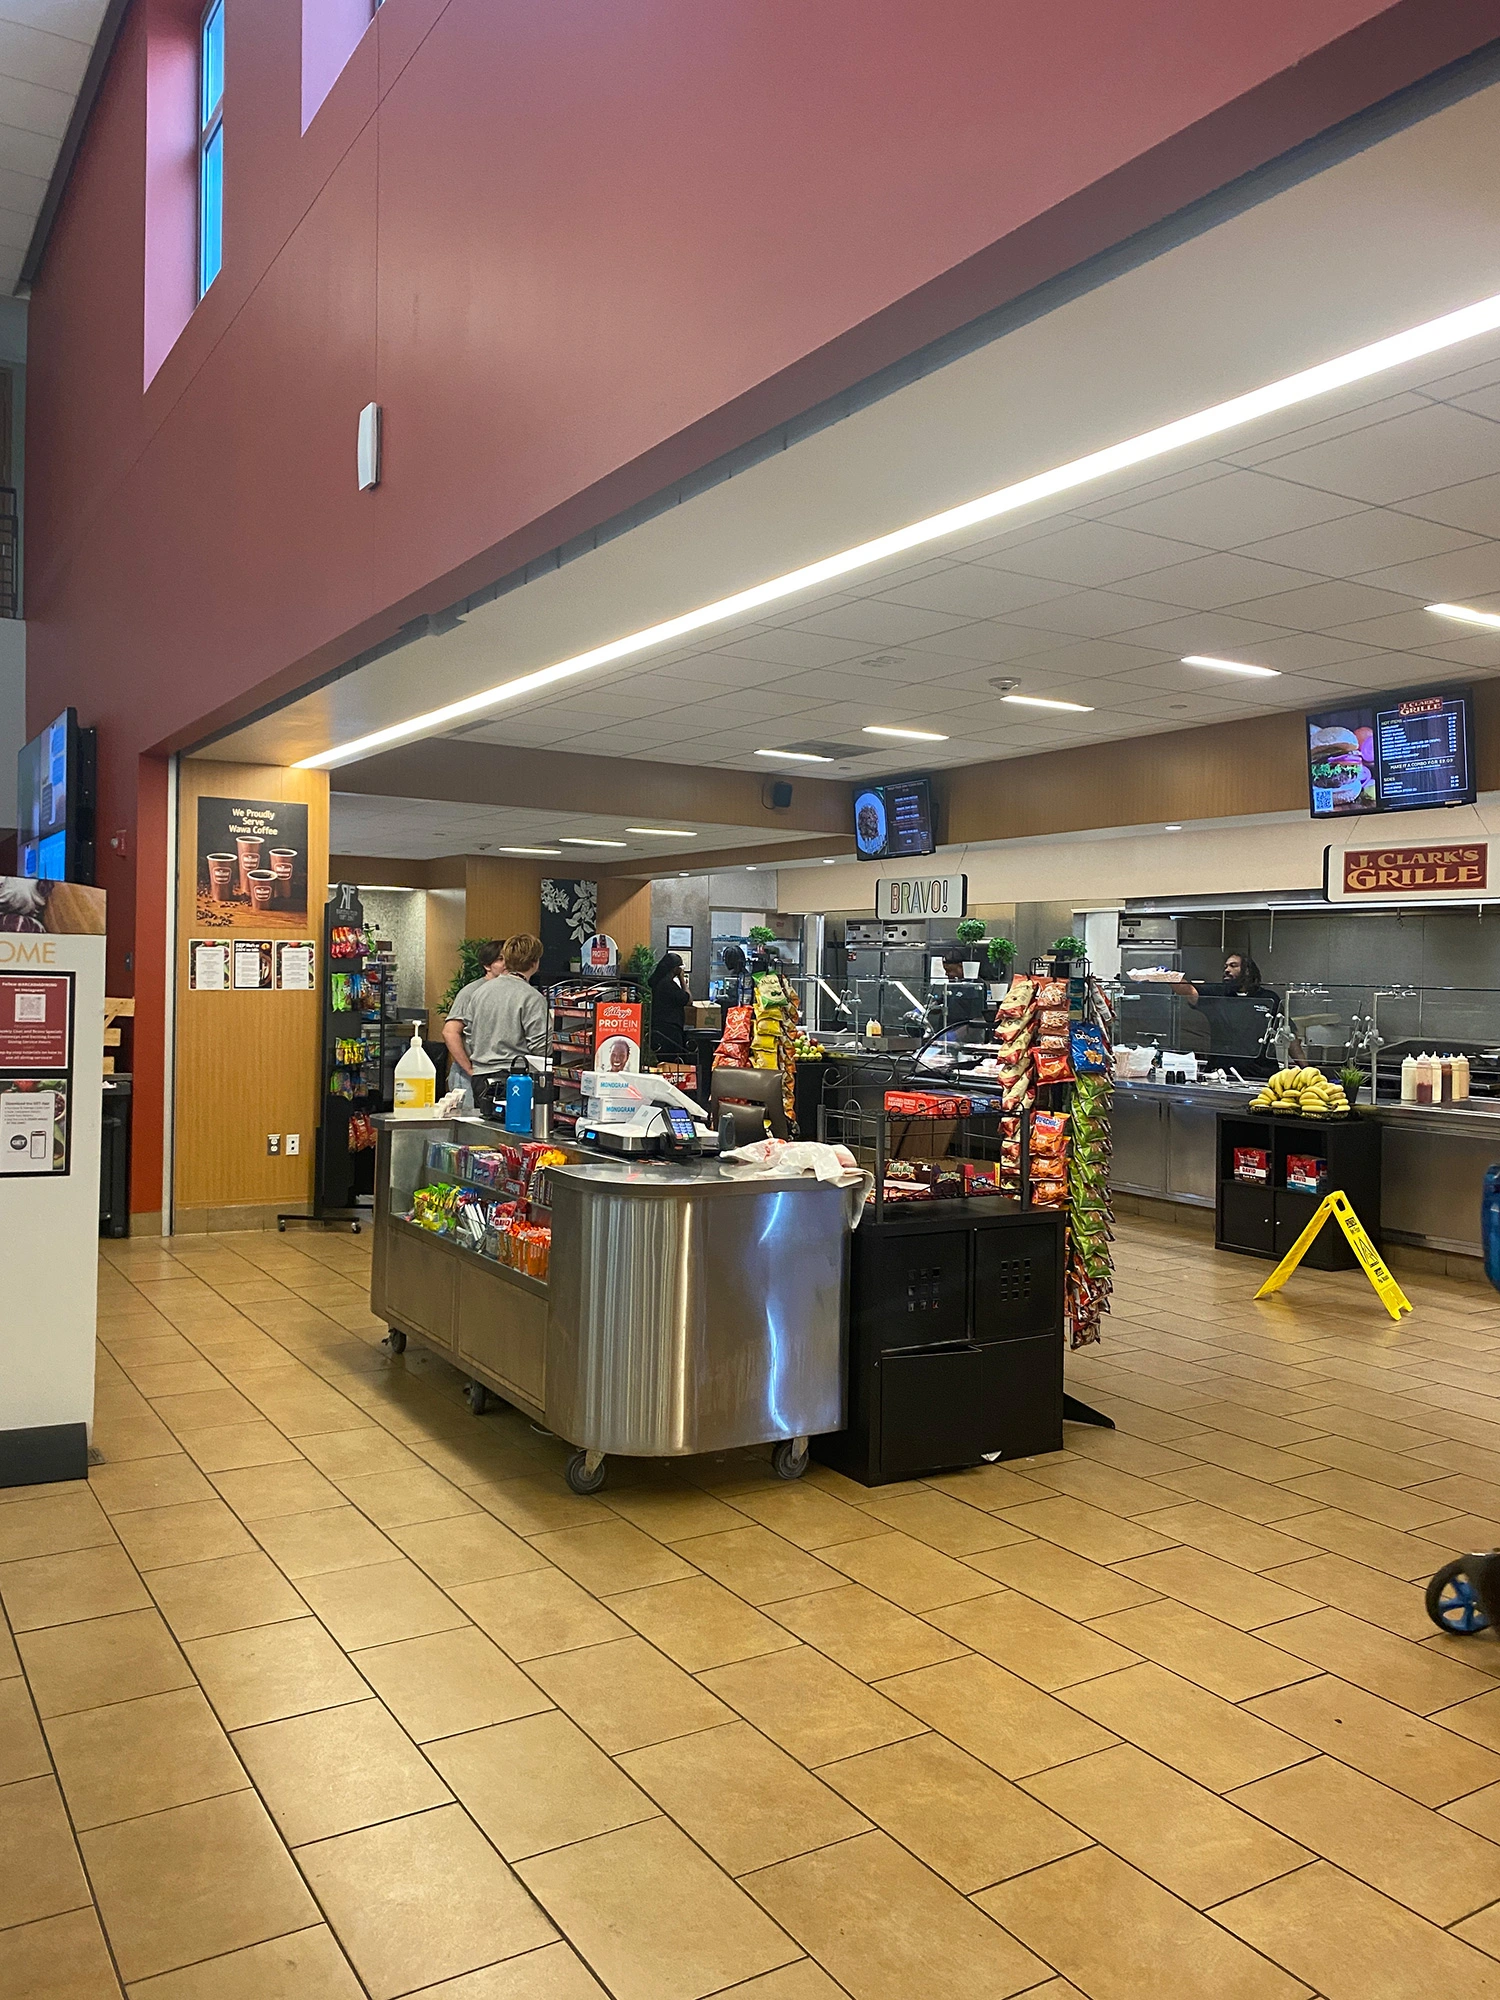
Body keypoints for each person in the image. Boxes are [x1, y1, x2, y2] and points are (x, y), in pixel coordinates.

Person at [444, 932, 548, 1112]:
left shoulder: (480, 992)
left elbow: (469, 1032)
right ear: (535, 963)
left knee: (487, 1129)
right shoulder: (532, 997)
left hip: (480, 1075)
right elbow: (541, 1047)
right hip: (515, 1077)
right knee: (515, 1130)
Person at [1164, 952, 1285, 1077]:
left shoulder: (1269, 998)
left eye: (1233, 966)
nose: (1227, 970)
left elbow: (1289, 1035)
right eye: (1225, 967)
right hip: (1221, 1074)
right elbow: (1189, 991)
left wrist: (1304, 1067)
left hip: (1260, 1074)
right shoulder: (1217, 994)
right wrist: (1167, 976)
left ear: (1247, 970)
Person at [649, 952, 691, 1054]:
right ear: (675, 969)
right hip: (670, 1031)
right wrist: (682, 978)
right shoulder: (669, 985)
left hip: (659, 1028)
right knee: (672, 1062)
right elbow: (688, 1000)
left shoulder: (658, 982)